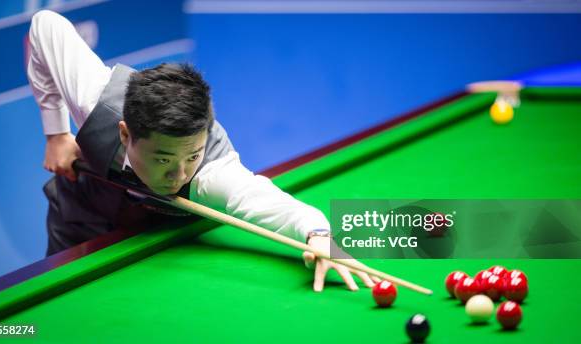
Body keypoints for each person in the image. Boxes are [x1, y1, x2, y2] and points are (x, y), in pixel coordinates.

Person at [27, 10, 376, 292]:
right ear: (125, 132)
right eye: (163, 159)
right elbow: (46, 26)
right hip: (80, 215)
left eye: (191, 156)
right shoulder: (96, 100)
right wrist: (56, 133)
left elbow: (273, 204)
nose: (180, 175)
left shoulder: (212, 173)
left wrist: (320, 238)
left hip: (163, 243)